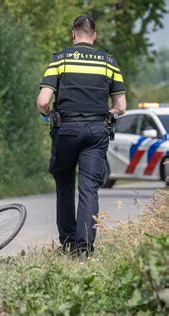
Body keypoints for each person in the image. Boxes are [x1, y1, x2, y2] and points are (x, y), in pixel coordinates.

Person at [36, 16, 127, 257]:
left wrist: (47, 115)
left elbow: (43, 101)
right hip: (96, 132)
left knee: (65, 183)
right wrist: (104, 112)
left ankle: (67, 244)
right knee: (89, 190)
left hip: (66, 130)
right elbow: (121, 106)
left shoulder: (60, 59)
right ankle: (84, 248)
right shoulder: (109, 63)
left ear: (73, 34)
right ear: (94, 36)